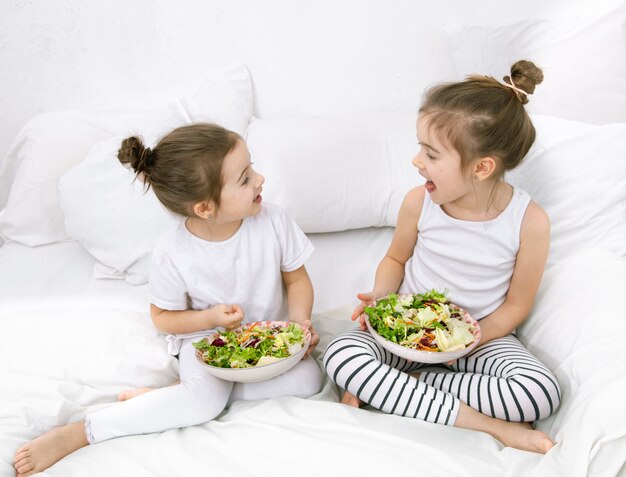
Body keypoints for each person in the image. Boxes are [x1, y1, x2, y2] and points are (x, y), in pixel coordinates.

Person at [13, 123, 322, 476]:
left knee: (309, 380)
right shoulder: (174, 253)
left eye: (252, 168)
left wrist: (299, 322)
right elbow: (163, 317)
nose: (260, 178)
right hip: (207, 343)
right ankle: (86, 431)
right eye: (245, 177)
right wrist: (211, 319)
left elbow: (296, 279)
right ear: (205, 207)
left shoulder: (273, 221)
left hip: (264, 339)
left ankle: (173, 397)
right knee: (203, 403)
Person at [323, 60, 561, 454]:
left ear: (481, 168)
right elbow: (396, 260)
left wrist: (469, 341)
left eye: (431, 154)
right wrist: (382, 296)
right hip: (404, 331)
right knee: (342, 354)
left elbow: (517, 305)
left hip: (480, 340)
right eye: (420, 148)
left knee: (539, 393)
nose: (417, 161)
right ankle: (495, 427)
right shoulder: (420, 202)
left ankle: (402, 390)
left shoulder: (530, 222)